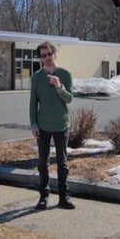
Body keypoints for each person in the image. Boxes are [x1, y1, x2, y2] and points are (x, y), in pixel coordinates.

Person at [29, 41, 75, 210]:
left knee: (62, 162)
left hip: (62, 124)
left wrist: (59, 86)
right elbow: (33, 102)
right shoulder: (37, 77)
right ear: (40, 58)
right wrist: (33, 123)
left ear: (54, 54)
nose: (47, 58)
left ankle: (64, 197)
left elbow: (69, 98)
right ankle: (43, 197)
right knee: (43, 163)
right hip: (43, 126)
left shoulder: (65, 74)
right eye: (43, 55)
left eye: (49, 54)